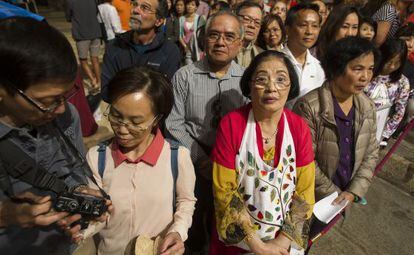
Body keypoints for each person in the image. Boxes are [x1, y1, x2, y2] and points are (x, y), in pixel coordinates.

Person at [0, 17, 111, 255]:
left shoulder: (65, 115)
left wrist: (79, 191)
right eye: (47, 101)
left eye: (66, 95)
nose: (61, 109)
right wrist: (4, 215)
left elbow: (72, 170)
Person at [82, 66, 196, 254]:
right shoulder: (98, 157)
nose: (123, 129)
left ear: (157, 119)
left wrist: (178, 231)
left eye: (136, 122)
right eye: (116, 116)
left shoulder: (176, 156)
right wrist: (82, 230)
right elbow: (96, 216)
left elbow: (186, 201)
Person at [210, 50, 315, 255]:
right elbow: (224, 190)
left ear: (291, 86)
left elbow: (305, 190)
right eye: (261, 79)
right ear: (250, 85)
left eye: (281, 79)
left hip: (283, 245)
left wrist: (281, 243)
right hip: (239, 244)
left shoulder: (298, 127)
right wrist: (256, 245)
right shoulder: (232, 124)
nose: (271, 88)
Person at [165, 11, 246, 254]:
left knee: (226, 223)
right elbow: (174, 123)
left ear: (240, 43)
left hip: (232, 165)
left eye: (229, 36)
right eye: (214, 35)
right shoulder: (184, 76)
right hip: (192, 159)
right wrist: (202, 161)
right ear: (204, 39)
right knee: (192, 222)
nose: (221, 42)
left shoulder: (246, 80)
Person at [293, 36, 379, 246]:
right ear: (337, 68)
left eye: (370, 69)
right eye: (357, 69)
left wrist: (353, 192)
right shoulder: (309, 107)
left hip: (339, 200)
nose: (365, 77)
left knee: (310, 241)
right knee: (293, 243)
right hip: (305, 197)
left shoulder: (367, 107)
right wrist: (335, 193)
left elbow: (371, 153)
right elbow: (304, 161)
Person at [101, 0, 181, 102]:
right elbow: (106, 92)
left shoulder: (170, 52)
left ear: (159, 21)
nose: (135, 10)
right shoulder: (114, 47)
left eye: (145, 8)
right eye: (134, 4)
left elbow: (167, 96)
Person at [364, 39, 411, 147]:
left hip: (378, 125)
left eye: (397, 63)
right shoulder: (368, 71)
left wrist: (385, 133)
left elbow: (400, 110)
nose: (392, 66)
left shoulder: (402, 82)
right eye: (389, 62)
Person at [282, 3, 325, 106]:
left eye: (315, 26)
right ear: (287, 29)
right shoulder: (274, 61)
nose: (309, 31)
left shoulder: (319, 68)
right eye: (303, 25)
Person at [65, 0, 102, 93]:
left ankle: (93, 80)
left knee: (83, 60)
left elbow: (68, 17)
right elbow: (97, 12)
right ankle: (99, 81)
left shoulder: (70, 1)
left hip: (81, 34)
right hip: (95, 31)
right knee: (95, 58)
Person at [235, 0, 264, 68]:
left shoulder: (262, 56)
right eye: (247, 19)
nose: (252, 25)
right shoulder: (223, 48)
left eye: (257, 22)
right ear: (235, 18)